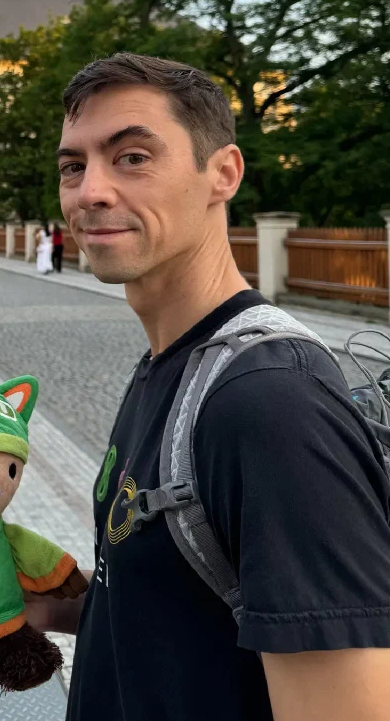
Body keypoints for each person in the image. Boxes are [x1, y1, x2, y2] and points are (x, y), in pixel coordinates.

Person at [27, 51, 390, 721]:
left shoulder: (272, 405)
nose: (90, 191)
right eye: (74, 166)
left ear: (222, 173)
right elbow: (191, 611)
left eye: (132, 156)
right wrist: (50, 605)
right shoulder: (167, 363)